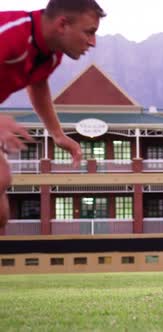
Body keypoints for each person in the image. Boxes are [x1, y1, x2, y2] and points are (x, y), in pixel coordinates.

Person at [0, 0, 106, 228]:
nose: (93, 42)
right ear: (62, 24)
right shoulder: (10, 34)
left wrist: (57, 135)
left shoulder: (51, 55)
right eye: (89, 32)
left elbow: (37, 85)